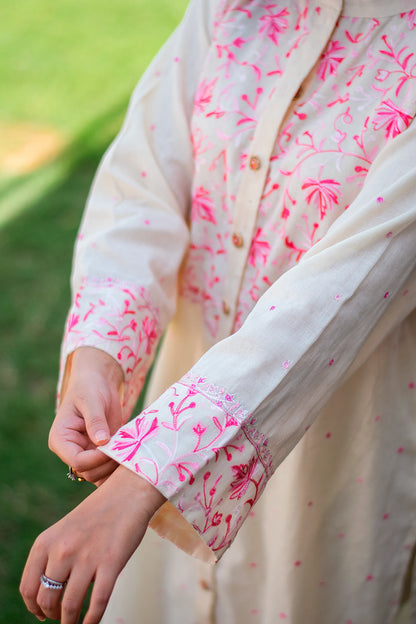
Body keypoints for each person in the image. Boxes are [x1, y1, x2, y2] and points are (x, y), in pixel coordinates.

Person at [20, 0, 416, 623]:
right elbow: (143, 180)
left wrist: (142, 480)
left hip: (336, 465)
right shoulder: (228, 8)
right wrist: (100, 352)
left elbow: (345, 294)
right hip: (169, 422)